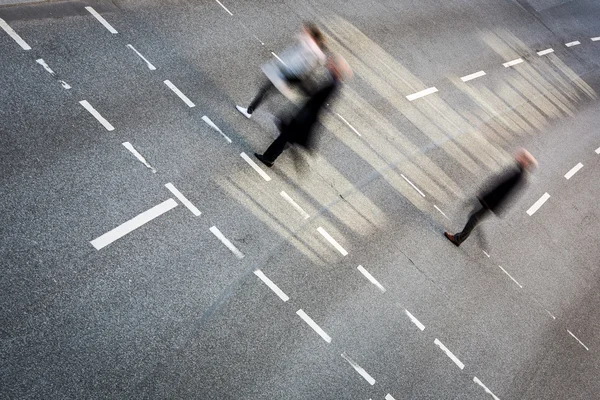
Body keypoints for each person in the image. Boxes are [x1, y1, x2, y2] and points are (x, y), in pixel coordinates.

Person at [254, 55, 351, 167]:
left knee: (285, 134)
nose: (329, 65)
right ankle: (273, 156)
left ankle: (269, 157)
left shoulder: (332, 85)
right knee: (286, 134)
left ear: (337, 69)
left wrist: (303, 85)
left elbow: (316, 98)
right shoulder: (333, 82)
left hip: (306, 117)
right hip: (306, 115)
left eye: (332, 64)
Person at [444, 148, 538, 247]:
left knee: (474, 217)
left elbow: (504, 191)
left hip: (492, 201)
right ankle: (469, 238)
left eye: (522, 157)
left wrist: (488, 199)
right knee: (474, 216)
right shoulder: (518, 171)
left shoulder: (519, 175)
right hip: (491, 199)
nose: (518, 156)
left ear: (526, 162)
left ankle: (459, 239)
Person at [236, 23, 327, 118]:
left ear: (310, 33)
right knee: (268, 91)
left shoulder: (311, 45)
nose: (303, 30)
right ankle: (252, 111)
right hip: (290, 74)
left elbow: (316, 54)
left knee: (266, 90)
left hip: (290, 75)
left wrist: (305, 41)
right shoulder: (310, 45)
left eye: (305, 29)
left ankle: (250, 111)